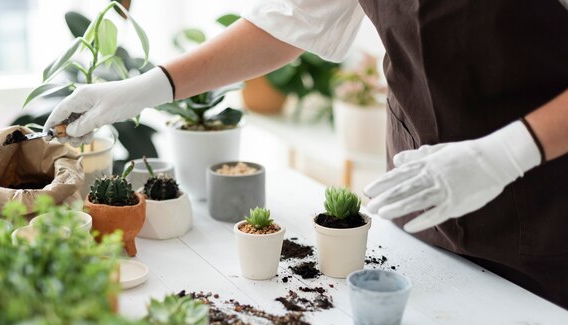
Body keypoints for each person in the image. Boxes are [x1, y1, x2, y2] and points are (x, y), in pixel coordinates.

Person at [46, 0, 568, 308]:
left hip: (548, 214)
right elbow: (288, 24)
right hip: (421, 197)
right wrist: (145, 89)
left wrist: (507, 152)